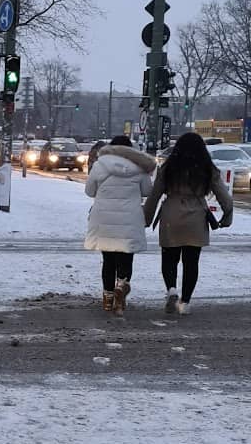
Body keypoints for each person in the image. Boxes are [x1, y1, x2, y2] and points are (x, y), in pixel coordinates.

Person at [143, 130, 233, 314]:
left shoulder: (168, 168)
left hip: (171, 215)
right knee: (191, 262)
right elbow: (226, 199)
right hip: (196, 217)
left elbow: (154, 195)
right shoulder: (208, 168)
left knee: (169, 258)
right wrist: (226, 217)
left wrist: (147, 218)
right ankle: (185, 302)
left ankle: (171, 290)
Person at [83, 134, 157, 313]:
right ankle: (121, 286)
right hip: (130, 218)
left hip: (104, 217)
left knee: (108, 260)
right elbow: (147, 191)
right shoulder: (139, 167)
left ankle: (108, 298)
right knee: (126, 257)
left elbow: (89, 191)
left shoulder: (100, 165)